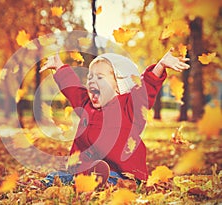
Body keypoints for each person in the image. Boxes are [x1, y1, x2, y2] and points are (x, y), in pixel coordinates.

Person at [39, 48, 189, 187]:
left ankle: (100, 182)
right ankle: (51, 182)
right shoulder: (86, 104)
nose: (92, 81)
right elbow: (72, 88)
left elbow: (146, 88)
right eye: (90, 77)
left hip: (122, 173)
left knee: (111, 178)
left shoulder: (129, 106)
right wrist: (59, 66)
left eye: (100, 77)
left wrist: (160, 66)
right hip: (85, 170)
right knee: (58, 176)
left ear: (118, 85)